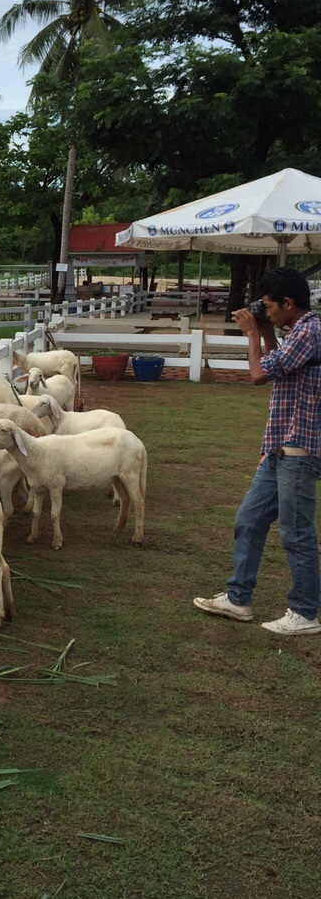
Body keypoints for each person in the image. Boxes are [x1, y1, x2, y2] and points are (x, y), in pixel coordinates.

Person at [194, 267, 321, 635]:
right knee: (248, 521)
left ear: (288, 303)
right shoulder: (298, 331)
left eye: (268, 307)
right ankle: (238, 599)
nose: (265, 311)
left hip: (299, 447)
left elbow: (258, 374)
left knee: (296, 534)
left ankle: (304, 613)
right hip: (281, 448)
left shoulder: (311, 330)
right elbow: (278, 366)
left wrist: (251, 333)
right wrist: (265, 331)